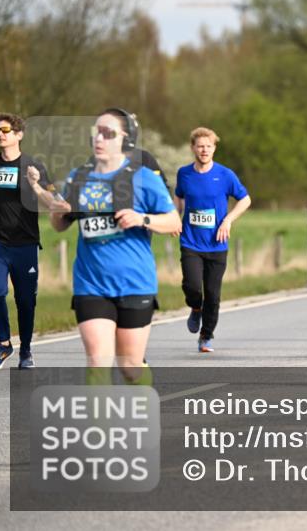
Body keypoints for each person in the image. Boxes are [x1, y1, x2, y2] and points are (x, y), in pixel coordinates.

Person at [49, 109, 181, 382]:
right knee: (98, 360)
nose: (99, 138)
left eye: (108, 133)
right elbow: (60, 225)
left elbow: (173, 222)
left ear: (126, 138)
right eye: (96, 132)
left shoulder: (144, 177)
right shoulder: (79, 177)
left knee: (130, 365)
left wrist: (142, 218)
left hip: (135, 282)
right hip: (91, 282)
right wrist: (58, 212)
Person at [0, 113, 64, 370]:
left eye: (6, 129)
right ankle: (3, 343)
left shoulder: (34, 166)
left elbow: (53, 204)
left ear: (19, 134)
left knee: (25, 301)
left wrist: (35, 185)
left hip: (25, 244)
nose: (1, 133)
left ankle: (26, 350)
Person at [174, 128, 251, 353]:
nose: (204, 150)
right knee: (192, 286)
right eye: (200, 146)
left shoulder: (225, 175)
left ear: (214, 148)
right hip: (191, 242)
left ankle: (206, 336)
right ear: (193, 148)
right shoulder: (184, 174)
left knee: (213, 294)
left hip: (217, 244)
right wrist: (175, 218)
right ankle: (195, 308)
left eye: (208, 146)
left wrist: (228, 220)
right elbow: (179, 196)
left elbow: (245, 200)